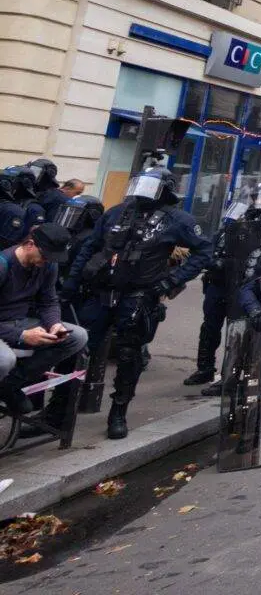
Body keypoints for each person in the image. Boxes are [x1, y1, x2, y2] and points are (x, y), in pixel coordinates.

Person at [63, 167, 212, 438]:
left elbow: (204, 250)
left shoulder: (176, 220)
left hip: (138, 296)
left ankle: (118, 412)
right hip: (100, 293)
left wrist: (172, 281)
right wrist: (73, 281)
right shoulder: (117, 212)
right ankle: (58, 410)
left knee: (129, 355)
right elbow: (91, 247)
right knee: (78, 347)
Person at [187, 183, 261, 393]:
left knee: (237, 331)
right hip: (219, 281)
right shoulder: (241, 219)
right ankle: (204, 368)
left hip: (244, 284)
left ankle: (229, 378)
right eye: (258, 198)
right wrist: (212, 259)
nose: (260, 202)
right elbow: (218, 240)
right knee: (210, 326)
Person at [0, 225, 88, 416]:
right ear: (30, 244)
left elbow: (48, 301)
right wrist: (22, 336)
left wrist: (54, 324)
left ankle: (10, 385)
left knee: (77, 337)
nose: (48, 260)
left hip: (21, 322)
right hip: (5, 327)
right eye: (45, 255)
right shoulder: (3, 264)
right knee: (5, 359)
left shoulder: (47, 264)